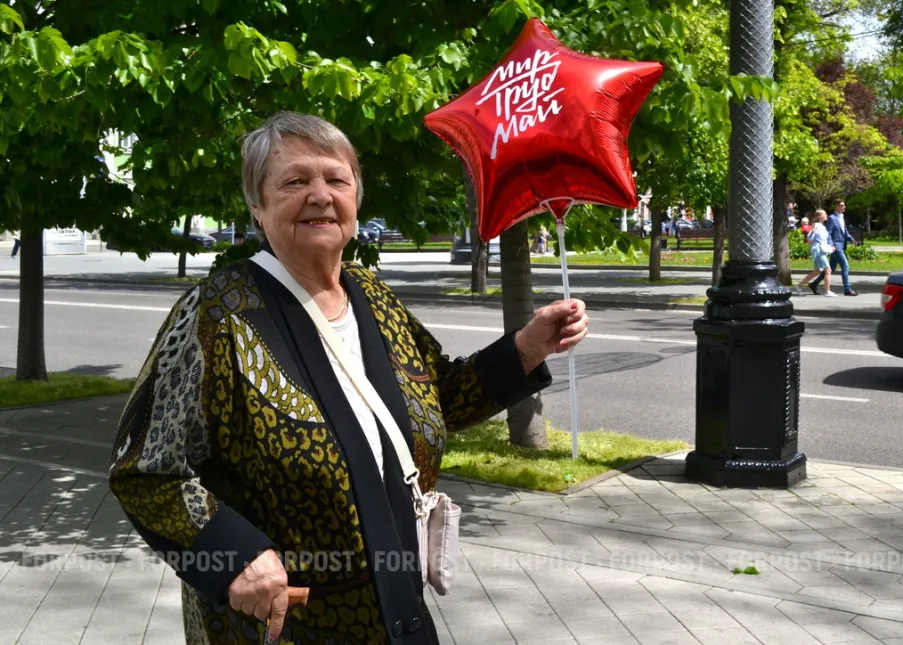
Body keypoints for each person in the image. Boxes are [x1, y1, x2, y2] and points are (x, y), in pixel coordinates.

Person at [108, 112, 590, 645]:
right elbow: (145, 467)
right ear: (257, 207)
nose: (320, 195)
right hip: (279, 624)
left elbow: (437, 399)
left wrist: (526, 348)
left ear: (355, 199)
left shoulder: (373, 297)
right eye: (294, 181)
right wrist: (233, 557)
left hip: (395, 611)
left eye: (337, 179)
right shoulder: (215, 314)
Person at [796, 209, 835, 297]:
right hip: (817, 250)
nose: (826, 215)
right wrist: (813, 232)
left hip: (821, 250)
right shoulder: (816, 226)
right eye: (825, 214)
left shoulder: (822, 226)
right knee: (828, 269)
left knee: (817, 271)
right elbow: (809, 239)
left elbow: (825, 238)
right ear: (820, 216)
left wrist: (830, 245)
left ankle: (799, 286)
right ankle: (828, 291)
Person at [827, 200, 858, 296]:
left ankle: (814, 284)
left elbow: (844, 232)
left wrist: (851, 239)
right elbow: (828, 232)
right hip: (836, 247)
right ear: (836, 206)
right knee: (845, 266)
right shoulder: (832, 218)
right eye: (841, 205)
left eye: (844, 205)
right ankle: (847, 289)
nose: (844, 207)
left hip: (841, 245)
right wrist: (831, 244)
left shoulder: (841, 217)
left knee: (830, 268)